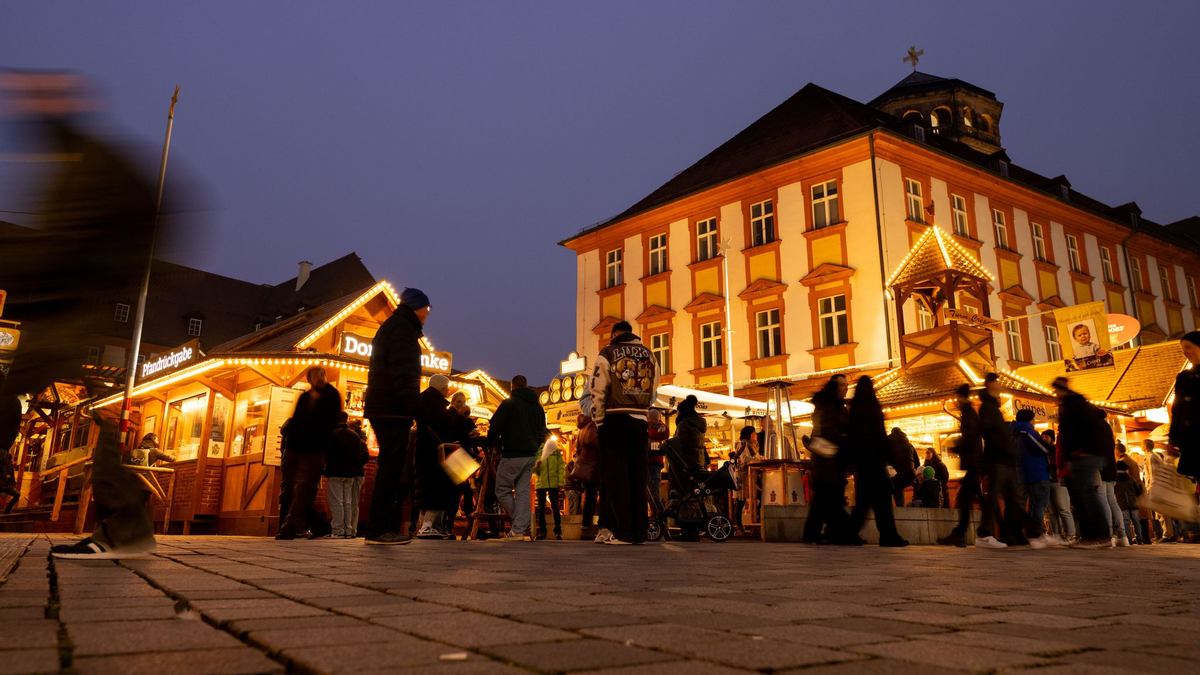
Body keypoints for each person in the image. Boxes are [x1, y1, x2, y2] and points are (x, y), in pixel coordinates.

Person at [2, 72, 173, 559]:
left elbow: (66, 241)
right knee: (97, 418)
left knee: (79, 412)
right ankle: (125, 527)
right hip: (71, 304)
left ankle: (124, 527)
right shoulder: (78, 160)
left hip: (75, 306)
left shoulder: (88, 164)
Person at [363, 287, 431, 545]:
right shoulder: (402, 330)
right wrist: (417, 408)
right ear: (418, 307)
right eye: (427, 308)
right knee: (390, 469)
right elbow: (403, 375)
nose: (428, 314)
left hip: (386, 407)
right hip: (392, 410)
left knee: (389, 468)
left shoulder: (395, 327)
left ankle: (380, 527)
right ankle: (379, 529)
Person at [589, 320, 659, 546]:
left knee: (617, 477)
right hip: (640, 419)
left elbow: (598, 388)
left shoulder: (608, 352)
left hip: (615, 418)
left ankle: (623, 532)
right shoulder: (649, 353)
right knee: (638, 477)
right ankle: (640, 532)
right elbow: (654, 387)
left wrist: (599, 420)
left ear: (614, 335)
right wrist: (643, 409)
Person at [976, 373, 1051, 549]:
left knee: (1012, 500)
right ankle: (987, 534)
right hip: (999, 460)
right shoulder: (988, 407)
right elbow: (988, 433)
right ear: (991, 385)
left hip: (1008, 462)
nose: (1001, 389)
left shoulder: (993, 408)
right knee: (1001, 498)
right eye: (997, 384)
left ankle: (1027, 533)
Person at [278, 366, 341, 540]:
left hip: (314, 450)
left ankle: (288, 528)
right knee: (291, 490)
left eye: (322, 375)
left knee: (301, 490)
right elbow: (296, 421)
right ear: (309, 379)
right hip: (294, 449)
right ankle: (319, 525)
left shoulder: (331, 396)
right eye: (316, 376)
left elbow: (330, 423)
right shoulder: (304, 397)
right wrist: (289, 445)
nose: (320, 378)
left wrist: (323, 452)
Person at [846, 376, 909, 547]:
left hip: (863, 462)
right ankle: (888, 535)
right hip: (875, 460)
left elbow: (852, 438)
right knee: (881, 502)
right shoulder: (873, 407)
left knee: (866, 502)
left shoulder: (854, 409)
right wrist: (889, 457)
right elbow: (880, 435)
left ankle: (851, 533)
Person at [488, 375, 548, 541]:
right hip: (530, 454)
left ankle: (520, 524)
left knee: (501, 490)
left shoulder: (509, 403)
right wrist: (536, 445)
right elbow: (543, 431)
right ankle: (519, 530)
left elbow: (495, 426)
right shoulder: (537, 407)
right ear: (526, 386)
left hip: (513, 453)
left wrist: (492, 439)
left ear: (512, 388)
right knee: (522, 492)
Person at [1054, 376, 1112, 549]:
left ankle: (1099, 536)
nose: (1055, 393)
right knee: (1081, 497)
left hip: (1083, 456)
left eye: (1056, 390)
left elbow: (1080, 430)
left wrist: (1081, 449)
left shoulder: (1075, 405)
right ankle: (1089, 535)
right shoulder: (1074, 404)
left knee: (1087, 496)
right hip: (1079, 456)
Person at [803, 374, 850, 545]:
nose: (846, 387)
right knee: (828, 502)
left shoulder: (832, 405)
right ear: (835, 386)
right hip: (828, 463)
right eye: (842, 385)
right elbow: (831, 433)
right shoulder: (830, 406)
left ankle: (829, 532)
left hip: (829, 464)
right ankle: (841, 532)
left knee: (825, 502)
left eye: (847, 384)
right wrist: (846, 439)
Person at [415, 374, 463, 539]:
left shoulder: (424, 400)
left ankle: (430, 525)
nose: (448, 389)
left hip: (425, 451)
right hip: (436, 452)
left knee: (430, 487)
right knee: (438, 488)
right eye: (447, 386)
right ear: (441, 387)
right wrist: (454, 411)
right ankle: (428, 526)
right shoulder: (437, 404)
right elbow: (444, 423)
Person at [938, 385, 984, 547]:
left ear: (963, 397)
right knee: (975, 500)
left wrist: (955, 447)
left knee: (965, 500)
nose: (956, 400)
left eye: (958, 397)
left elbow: (970, 438)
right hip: (974, 463)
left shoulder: (968, 414)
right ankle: (998, 530)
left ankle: (960, 534)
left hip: (972, 463)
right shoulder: (969, 413)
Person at [325, 412, 369, 538]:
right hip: (350, 473)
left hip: (335, 471)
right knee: (348, 502)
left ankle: (338, 529)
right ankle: (348, 529)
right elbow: (358, 454)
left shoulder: (332, 434)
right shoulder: (355, 436)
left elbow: (328, 452)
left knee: (336, 501)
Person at [670, 395, 708, 541]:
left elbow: (679, 445)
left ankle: (687, 530)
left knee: (684, 495)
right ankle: (693, 530)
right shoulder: (699, 424)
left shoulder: (685, 424)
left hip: (685, 465)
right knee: (694, 495)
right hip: (697, 464)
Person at [1013, 409, 1052, 536]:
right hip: (1037, 472)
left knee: (1031, 505)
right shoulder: (1028, 432)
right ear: (1030, 419)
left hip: (1022, 474)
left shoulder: (1014, 432)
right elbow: (1042, 449)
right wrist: (1048, 445)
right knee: (1039, 505)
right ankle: (1037, 533)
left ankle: (1030, 533)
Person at [1169, 331, 1200, 480]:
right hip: (1192, 439)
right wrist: (1173, 439)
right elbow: (1177, 410)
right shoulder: (1184, 377)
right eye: (1183, 349)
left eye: (1188, 347)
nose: (1185, 352)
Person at [1096, 411, 1129, 546]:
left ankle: (1108, 534)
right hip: (1110, 468)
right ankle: (1122, 535)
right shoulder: (1107, 429)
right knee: (1111, 501)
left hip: (1102, 469)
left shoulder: (1096, 429)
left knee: (1104, 500)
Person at [1042, 429, 1076, 542]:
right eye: (1042, 437)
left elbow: (1060, 464)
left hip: (1058, 481)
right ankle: (1056, 535)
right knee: (1051, 511)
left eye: (1046, 436)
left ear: (1052, 438)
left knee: (1063, 508)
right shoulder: (1041, 450)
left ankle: (1070, 534)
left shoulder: (1057, 450)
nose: (1043, 439)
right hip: (1047, 482)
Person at [574, 413, 603, 539]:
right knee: (593, 497)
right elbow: (594, 441)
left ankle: (586, 526)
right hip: (593, 466)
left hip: (586, 466)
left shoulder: (582, 427)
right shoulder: (592, 426)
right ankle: (589, 526)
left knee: (589, 498)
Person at [533, 434, 566, 540]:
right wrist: (536, 466)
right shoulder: (538, 450)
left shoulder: (555, 451)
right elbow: (533, 468)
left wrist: (560, 481)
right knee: (541, 508)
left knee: (555, 507)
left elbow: (560, 466)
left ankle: (558, 530)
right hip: (541, 482)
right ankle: (543, 531)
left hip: (552, 482)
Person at [1115, 443, 1146, 544]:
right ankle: (1140, 539)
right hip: (1133, 503)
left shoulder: (1116, 480)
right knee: (1137, 522)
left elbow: (1114, 491)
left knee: (1126, 522)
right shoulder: (1131, 479)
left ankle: (1128, 539)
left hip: (1122, 504)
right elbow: (1137, 489)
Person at [731, 426, 759, 532]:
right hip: (742, 477)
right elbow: (744, 459)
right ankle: (738, 526)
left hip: (749, 477)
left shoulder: (752, 446)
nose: (756, 435)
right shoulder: (742, 444)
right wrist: (758, 459)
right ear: (750, 435)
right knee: (740, 501)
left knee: (747, 499)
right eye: (754, 433)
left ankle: (744, 525)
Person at [887, 427, 918, 507]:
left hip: (893, 475)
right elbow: (917, 461)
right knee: (900, 499)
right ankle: (901, 511)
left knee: (889, 489)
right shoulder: (909, 445)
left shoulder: (887, 444)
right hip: (909, 474)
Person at [647, 409, 668, 517]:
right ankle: (657, 519)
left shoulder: (659, 428)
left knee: (653, 493)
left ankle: (661, 519)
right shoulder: (652, 427)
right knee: (650, 493)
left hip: (653, 464)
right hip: (648, 463)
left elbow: (664, 433)